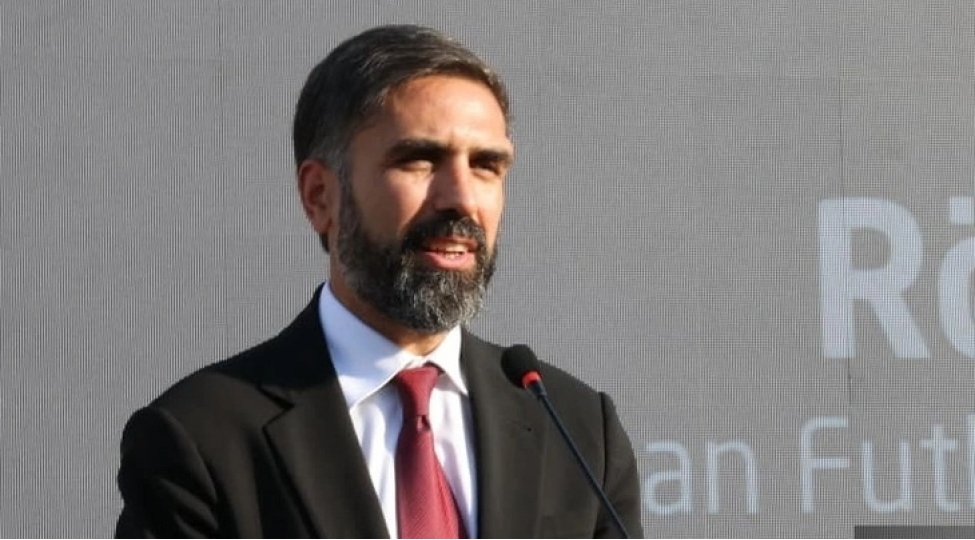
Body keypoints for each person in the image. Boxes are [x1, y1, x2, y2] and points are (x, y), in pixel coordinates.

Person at [115, 24, 643, 538]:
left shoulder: (577, 429)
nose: (461, 198)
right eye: (419, 160)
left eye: (486, 166)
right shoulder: (202, 436)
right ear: (320, 195)